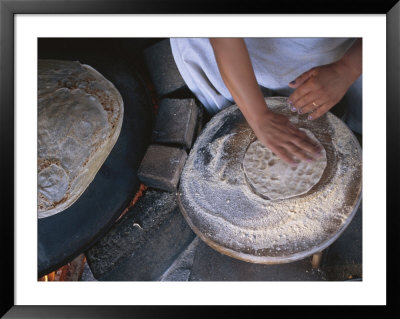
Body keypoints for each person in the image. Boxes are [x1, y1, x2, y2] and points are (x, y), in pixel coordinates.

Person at [170, 37, 362, 165]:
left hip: (342, 45)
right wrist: (257, 116)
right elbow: (224, 38)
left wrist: (346, 69)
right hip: (236, 47)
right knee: (237, 104)